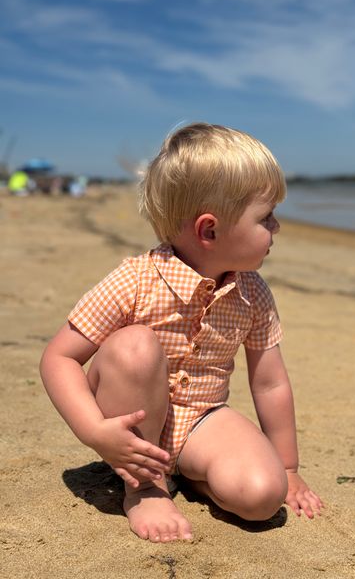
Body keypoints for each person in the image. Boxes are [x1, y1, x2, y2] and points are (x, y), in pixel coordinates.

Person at [40, 123, 323, 543]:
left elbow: (270, 382)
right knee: (135, 345)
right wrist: (94, 432)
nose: (277, 227)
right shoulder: (135, 280)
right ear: (209, 230)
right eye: (266, 217)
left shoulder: (252, 293)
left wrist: (288, 468)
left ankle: (192, 474)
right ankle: (145, 488)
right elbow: (58, 359)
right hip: (131, 420)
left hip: (201, 422)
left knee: (264, 496)